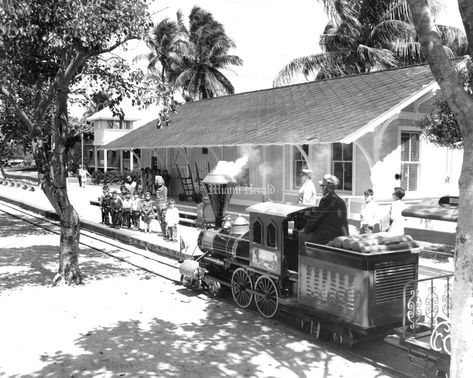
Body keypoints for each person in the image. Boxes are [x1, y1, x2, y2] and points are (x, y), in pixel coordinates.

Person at [299, 174, 348, 247]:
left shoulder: (328, 199)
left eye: (322, 186)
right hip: (340, 237)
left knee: (300, 236)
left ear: (326, 187)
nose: (321, 188)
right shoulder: (340, 201)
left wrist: (306, 229)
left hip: (328, 238)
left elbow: (317, 218)